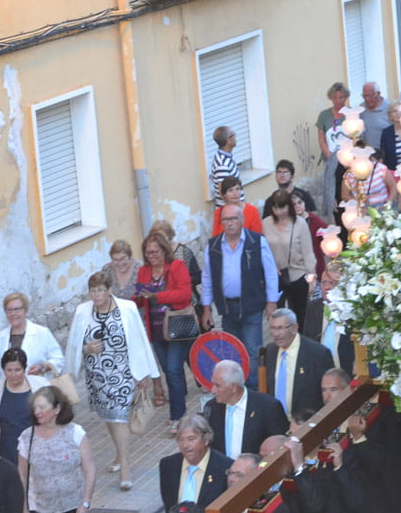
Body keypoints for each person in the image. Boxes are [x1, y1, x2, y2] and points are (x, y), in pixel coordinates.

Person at [66, 270, 158, 487]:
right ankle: (119, 453)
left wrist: (143, 373)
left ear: (109, 291)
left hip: (124, 372)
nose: (96, 295)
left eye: (100, 291)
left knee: (119, 416)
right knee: (109, 416)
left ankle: (125, 468)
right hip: (97, 375)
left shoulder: (127, 309)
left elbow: (139, 340)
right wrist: (86, 349)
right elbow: (74, 343)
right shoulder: (82, 311)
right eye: (93, 291)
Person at [202, 204, 280, 388]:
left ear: (242, 220)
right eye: (226, 219)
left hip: (252, 305)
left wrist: (272, 302)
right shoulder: (213, 246)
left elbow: (270, 273)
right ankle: (236, 388)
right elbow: (207, 278)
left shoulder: (256, 241)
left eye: (234, 218)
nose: (230, 223)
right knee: (232, 351)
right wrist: (206, 308)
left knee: (253, 351)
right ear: (221, 222)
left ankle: (254, 389)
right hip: (227, 308)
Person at [17, 386, 95, 513]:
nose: (37, 411)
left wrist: (85, 503)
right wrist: (24, 510)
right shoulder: (26, 438)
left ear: (57, 409)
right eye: (35, 407)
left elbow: (89, 469)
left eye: (42, 407)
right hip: (43, 511)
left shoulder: (75, 433)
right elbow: (22, 475)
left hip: (73, 510)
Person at [136, 231, 194, 431]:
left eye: (155, 252)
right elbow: (139, 299)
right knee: (169, 372)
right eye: (148, 253)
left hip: (177, 327)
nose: (152, 256)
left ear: (164, 250)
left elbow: (185, 294)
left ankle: (177, 415)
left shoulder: (177, 266)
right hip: (156, 330)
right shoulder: (144, 271)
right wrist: (135, 296)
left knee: (173, 370)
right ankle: (179, 410)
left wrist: (157, 296)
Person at [157, 416, 232, 513]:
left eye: (191, 439)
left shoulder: (225, 468)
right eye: (181, 440)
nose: (185, 446)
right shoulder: (168, 465)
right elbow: (169, 506)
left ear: (206, 439)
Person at [0, 347, 51, 463]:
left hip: (36, 450)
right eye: (9, 370)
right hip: (7, 452)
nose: (13, 374)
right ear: (3, 370)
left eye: (17, 370)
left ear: (24, 369)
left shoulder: (41, 386)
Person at [203, 360, 287, 458]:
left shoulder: (268, 407)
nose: (213, 390)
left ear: (233, 387)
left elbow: (279, 446)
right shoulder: (212, 407)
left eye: (218, 386)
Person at [264, 308, 333, 416]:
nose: (276, 334)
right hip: (276, 423)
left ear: (295, 328)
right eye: (273, 328)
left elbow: (327, 395)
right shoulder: (270, 351)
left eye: (281, 328)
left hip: (306, 423)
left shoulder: (318, 354)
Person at [262, 189, 316, 327]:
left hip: (297, 274)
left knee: (300, 316)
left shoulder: (300, 224)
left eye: (282, 207)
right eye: (276, 208)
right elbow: (263, 251)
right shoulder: (266, 224)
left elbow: (308, 252)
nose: (279, 212)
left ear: (288, 206)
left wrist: (312, 277)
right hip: (276, 277)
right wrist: (271, 266)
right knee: (277, 317)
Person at [0, 293, 65, 385]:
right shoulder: (0, 338)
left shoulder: (42, 333)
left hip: (38, 391)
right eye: (9, 310)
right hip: (11, 391)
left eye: (17, 309)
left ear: (25, 311)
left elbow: (59, 359)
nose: (13, 314)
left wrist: (42, 366)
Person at [316, 82, 351, 221]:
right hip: (331, 160)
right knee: (333, 191)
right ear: (331, 98)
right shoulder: (324, 116)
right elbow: (321, 138)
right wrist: (330, 157)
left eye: (341, 97)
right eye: (335, 98)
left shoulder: (350, 114)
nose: (338, 101)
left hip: (348, 161)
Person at [341, 142, 398, 209]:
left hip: (382, 207)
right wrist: (357, 199)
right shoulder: (349, 174)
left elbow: (393, 186)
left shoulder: (379, 168)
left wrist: (389, 203)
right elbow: (345, 196)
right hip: (361, 210)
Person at [210, 126, 242, 208]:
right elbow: (223, 193)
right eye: (233, 135)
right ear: (228, 140)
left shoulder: (226, 157)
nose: (235, 137)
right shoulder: (222, 164)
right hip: (230, 213)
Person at [379, 101, 401, 172]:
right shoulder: (386, 133)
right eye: (394, 111)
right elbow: (383, 154)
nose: (398, 113)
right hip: (393, 172)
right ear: (390, 115)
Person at [359, 82, 391, 148]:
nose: (367, 99)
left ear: (378, 94)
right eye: (364, 96)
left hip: (384, 153)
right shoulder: (360, 109)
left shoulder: (389, 109)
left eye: (370, 96)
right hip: (366, 154)